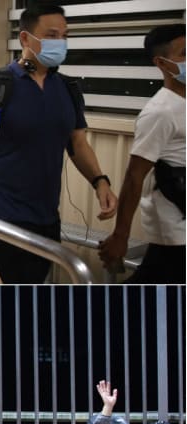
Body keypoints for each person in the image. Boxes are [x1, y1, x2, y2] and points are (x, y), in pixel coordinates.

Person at [0, 3, 117, 284]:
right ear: (25, 38)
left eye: (64, 35)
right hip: (1, 204)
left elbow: (77, 143)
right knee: (21, 278)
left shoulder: (67, 89)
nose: (60, 42)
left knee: (31, 277)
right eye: (51, 35)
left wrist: (100, 181)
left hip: (45, 208)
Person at [98, 25, 186, 284]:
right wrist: (120, 236)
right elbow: (135, 176)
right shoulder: (160, 112)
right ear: (162, 62)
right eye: (185, 53)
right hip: (174, 226)